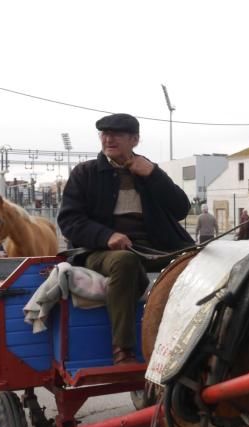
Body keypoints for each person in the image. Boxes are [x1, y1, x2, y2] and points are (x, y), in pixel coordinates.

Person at [58, 113, 192, 364]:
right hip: (101, 252)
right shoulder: (85, 173)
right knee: (124, 262)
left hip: (153, 250)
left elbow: (181, 209)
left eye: (116, 134)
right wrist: (106, 236)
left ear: (135, 140)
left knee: (198, 260)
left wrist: (153, 174)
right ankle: (123, 348)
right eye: (104, 134)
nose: (108, 139)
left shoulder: (148, 171)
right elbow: (69, 221)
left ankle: (195, 343)